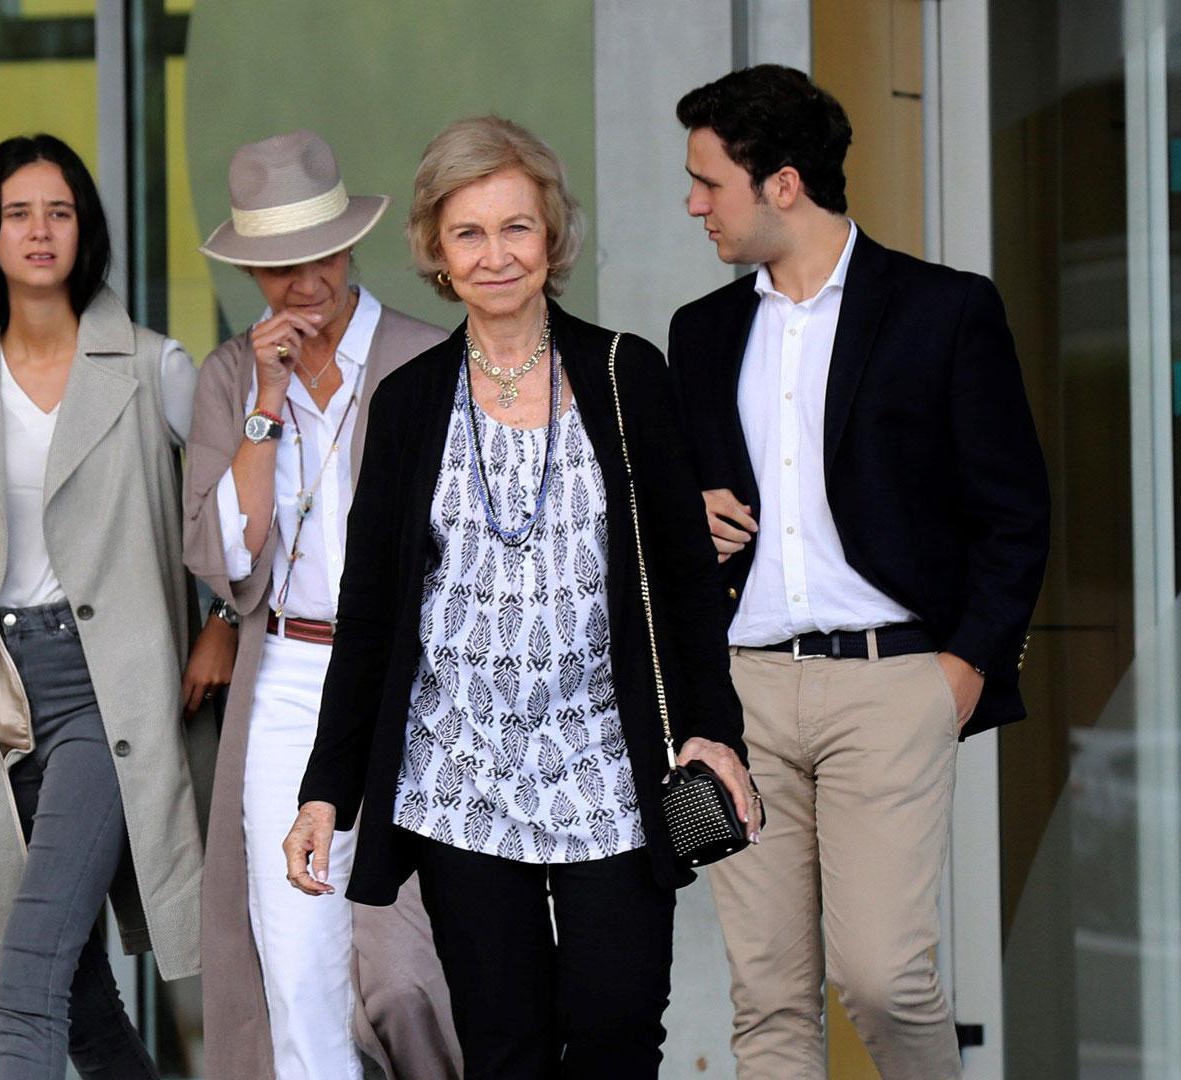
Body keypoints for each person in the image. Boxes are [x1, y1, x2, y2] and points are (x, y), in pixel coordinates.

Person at [282, 116, 751, 1079]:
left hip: (608, 764)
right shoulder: (410, 403)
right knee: (504, 1046)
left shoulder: (627, 378)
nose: (495, 255)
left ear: (552, 239)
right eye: (469, 234)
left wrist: (713, 730)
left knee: (619, 1023)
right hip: (460, 772)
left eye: (517, 229)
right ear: (437, 254)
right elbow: (370, 612)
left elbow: (682, 587)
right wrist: (325, 792)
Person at [668, 65, 1051, 1079]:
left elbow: (1016, 514)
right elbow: (675, 517)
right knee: (770, 1003)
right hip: (743, 690)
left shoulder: (945, 311)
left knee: (884, 977)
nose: (694, 202)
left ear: (782, 184)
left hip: (893, 686)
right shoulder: (699, 334)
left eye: (711, 180)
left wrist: (962, 669)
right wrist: (680, 520)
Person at [0, 132, 202, 1079]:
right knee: (78, 997)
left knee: (27, 976)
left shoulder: (154, 367)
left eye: (59, 211)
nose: (39, 231)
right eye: (18, 212)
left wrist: (222, 626)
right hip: (3, 693)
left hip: (112, 693)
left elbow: (225, 526)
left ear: (86, 231)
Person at [185, 130, 461, 1080]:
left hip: (412, 683)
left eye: (321, 255)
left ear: (351, 245)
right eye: (276, 267)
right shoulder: (229, 378)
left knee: (409, 973)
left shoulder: (429, 359)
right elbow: (225, 559)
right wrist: (266, 404)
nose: (305, 284)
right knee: (297, 967)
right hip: (288, 679)